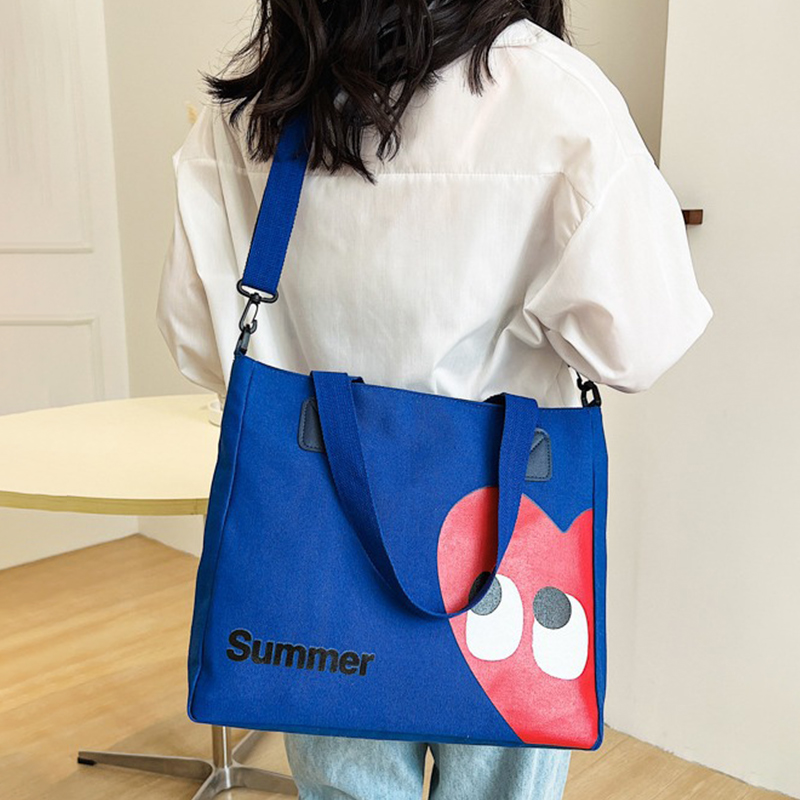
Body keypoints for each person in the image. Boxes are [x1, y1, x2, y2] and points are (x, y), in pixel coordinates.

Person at [156, 2, 713, 798]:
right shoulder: (556, 92)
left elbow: (197, 340)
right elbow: (639, 345)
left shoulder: (263, 97)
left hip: (317, 550)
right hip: (509, 532)